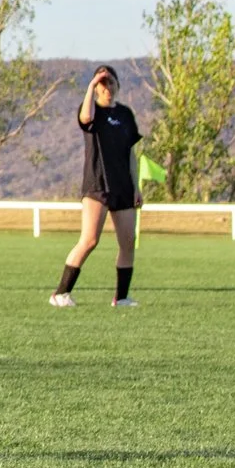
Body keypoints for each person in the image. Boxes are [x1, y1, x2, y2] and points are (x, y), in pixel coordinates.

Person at [53, 65, 142, 309]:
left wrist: (136, 187)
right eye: (102, 84)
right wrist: (91, 85)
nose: (107, 88)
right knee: (90, 240)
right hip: (97, 186)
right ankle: (60, 293)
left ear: (117, 85)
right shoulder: (92, 111)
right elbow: (85, 118)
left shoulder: (125, 114)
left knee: (128, 241)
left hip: (123, 186)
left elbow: (131, 153)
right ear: (95, 88)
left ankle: (121, 298)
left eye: (111, 82)